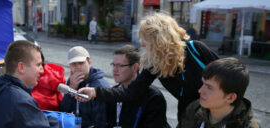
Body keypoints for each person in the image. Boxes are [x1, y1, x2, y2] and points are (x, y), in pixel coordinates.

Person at [77, 12, 219, 122]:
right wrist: (95, 92)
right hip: (190, 118)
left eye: (146, 39)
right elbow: (131, 92)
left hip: (219, 115)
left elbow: (231, 76)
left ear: (160, 38)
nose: (142, 44)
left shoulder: (196, 49)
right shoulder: (155, 63)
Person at [89, 45, 171, 128]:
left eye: (120, 66)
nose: (114, 70)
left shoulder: (153, 97)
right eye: (113, 65)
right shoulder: (114, 92)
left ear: (135, 67)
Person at [60, 46, 109, 128]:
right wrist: (71, 89)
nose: (78, 67)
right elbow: (64, 111)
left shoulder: (99, 85)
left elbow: (100, 124)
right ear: (69, 66)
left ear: (89, 62)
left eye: (81, 63)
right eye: (74, 64)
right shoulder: (72, 80)